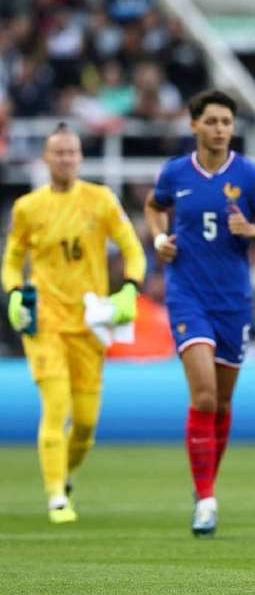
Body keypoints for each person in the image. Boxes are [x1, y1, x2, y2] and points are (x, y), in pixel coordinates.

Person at [144, 89, 255, 536]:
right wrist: (158, 239)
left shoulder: (250, 174)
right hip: (187, 294)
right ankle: (205, 497)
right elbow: (154, 205)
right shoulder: (175, 173)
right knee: (204, 395)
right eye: (212, 121)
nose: (220, 129)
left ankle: (206, 483)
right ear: (194, 125)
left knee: (222, 402)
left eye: (227, 121)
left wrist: (253, 228)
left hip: (233, 300)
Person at [2, 123, 146, 523]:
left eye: (72, 152)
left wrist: (130, 288)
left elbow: (133, 248)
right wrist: (15, 293)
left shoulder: (100, 200)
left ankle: (62, 477)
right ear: (46, 158)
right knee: (56, 405)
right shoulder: (28, 208)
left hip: (90, 323)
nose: (66, 158)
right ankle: (55, 498)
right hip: (45, 320)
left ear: (80, 157)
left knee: (84, 426)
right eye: (58, 152)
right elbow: (12, 260)